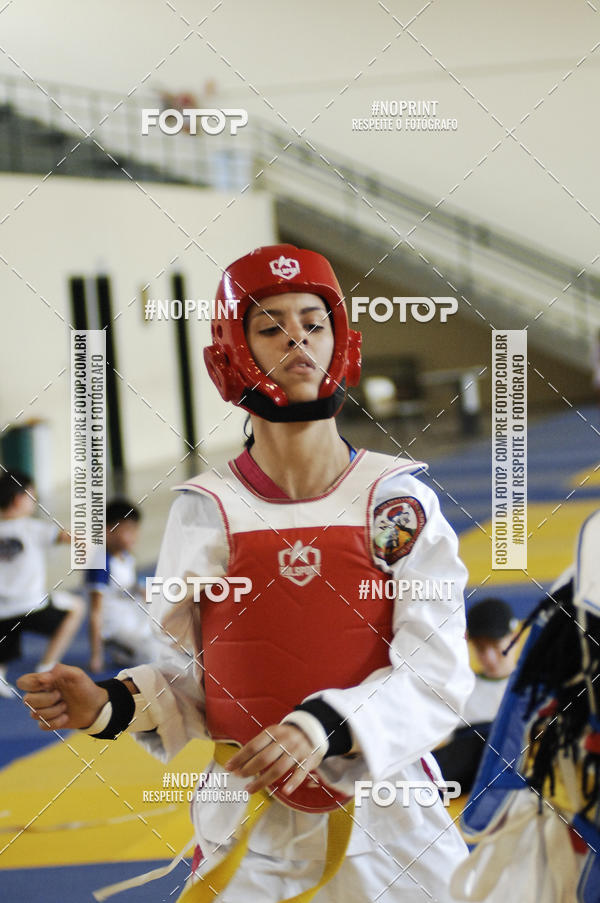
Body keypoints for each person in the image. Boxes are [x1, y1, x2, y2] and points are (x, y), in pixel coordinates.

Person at [19, 244, 474, 902]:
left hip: (390, 817)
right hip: (252, 821)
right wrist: (109, 705)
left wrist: (318, 725)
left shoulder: (395, 501)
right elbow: (194, 680)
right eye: (271, 326)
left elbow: (436, 675)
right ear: (231, 352)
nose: (298, 340)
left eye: (314, 322)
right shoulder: (206, 510)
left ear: (343, 341)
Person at [0, 470, 84, 697]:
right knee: (76, 607)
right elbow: (70, 538)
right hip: (33, 606)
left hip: (2, 611)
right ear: (19, 499)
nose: (34, 502)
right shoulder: (33, 528)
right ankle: (47, 666)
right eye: (32, 497)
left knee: (6, 636)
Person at [434, 597, 519, 795]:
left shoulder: (536, 689)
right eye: (480, 648)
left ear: (514, 638)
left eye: (496, 645)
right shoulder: (458, 690)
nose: (489, 657)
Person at [85, 499, 162, 673]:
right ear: (107, 530)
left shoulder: (127, 557)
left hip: (134, 618)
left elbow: (129, 587)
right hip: (116, 628)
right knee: (155, 657)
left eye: (136, 530)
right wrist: (96, 656)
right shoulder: (101, 563)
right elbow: (95, 612)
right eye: (128, 530)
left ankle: (136, 647)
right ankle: (121, 650)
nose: (134, 536)